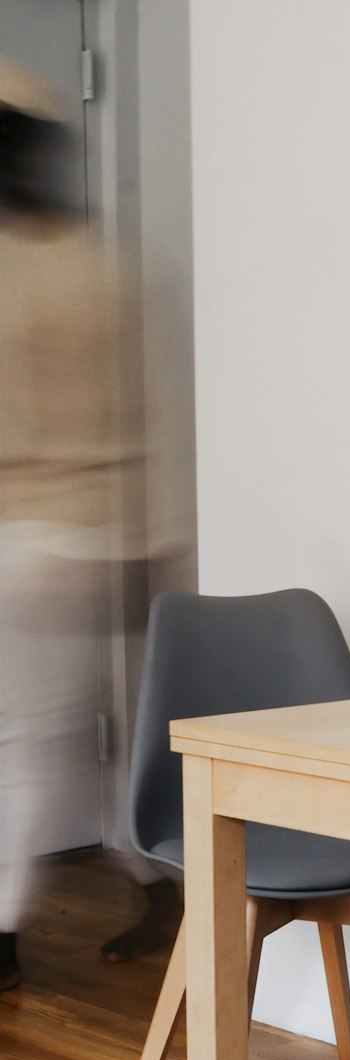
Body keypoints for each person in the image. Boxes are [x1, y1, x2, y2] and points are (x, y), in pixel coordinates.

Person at [0, 57, 179, 991]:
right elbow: (156, 403)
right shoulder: (103, 259)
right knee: (84, 730)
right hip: (112, 529)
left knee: (31, 739)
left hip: (30, 536)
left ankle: (1, 930)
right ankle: (156, 870)